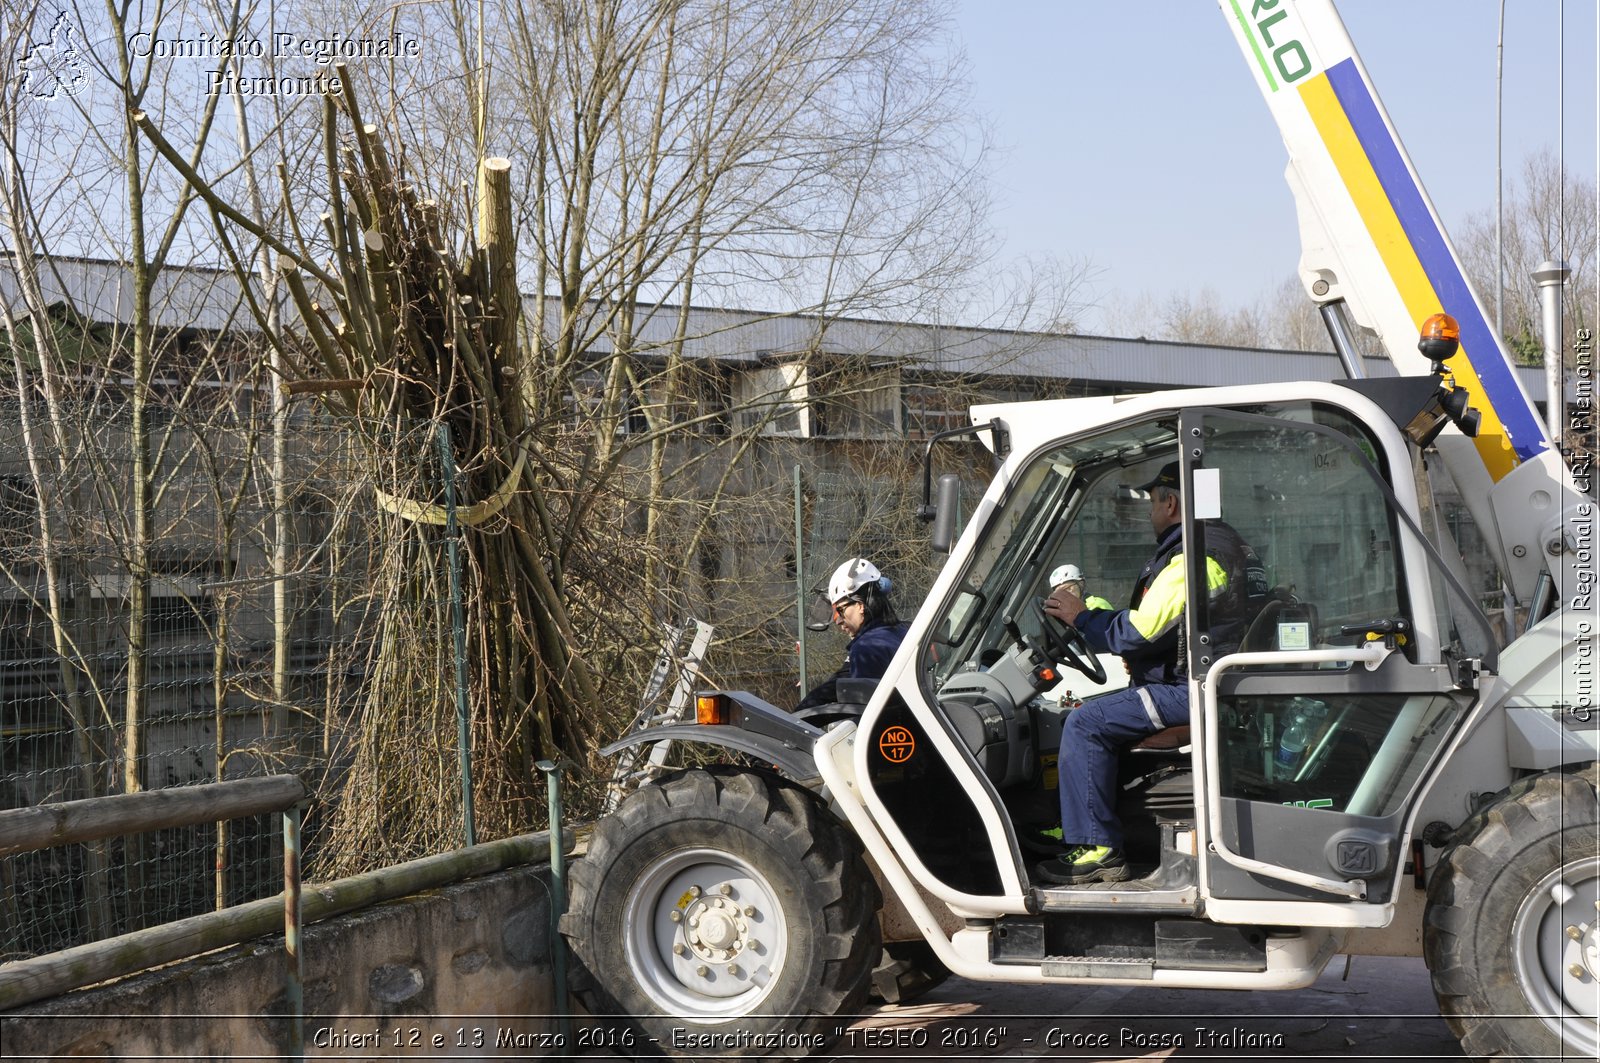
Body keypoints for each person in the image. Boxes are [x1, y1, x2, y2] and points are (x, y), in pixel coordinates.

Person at [1035, 462, 1263, 885]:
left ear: (1171, 502)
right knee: (1088, 716)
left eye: (1152, 502)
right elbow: (1173, 626)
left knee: (1085, 722)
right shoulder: (1218, 547)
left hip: (1188, 690)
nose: (1149, 512)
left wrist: (1083, 617)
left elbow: (1139, 631)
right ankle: (1077, 827)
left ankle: (1098, 848)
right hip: (1201, 682)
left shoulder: (1196, 557)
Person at [795, 558, 911, 711]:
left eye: (841, 610)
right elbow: (839, 682)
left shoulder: (868, 648)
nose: (838, 621)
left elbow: (862, 712)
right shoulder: (902, 631)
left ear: (860, 605)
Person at [1048, 563, 1113, 611]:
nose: (1065, 594)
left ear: (1081, 584)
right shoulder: (1069, 611)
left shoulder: (1097, 606)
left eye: (1068, 588)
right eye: (1059, 593)